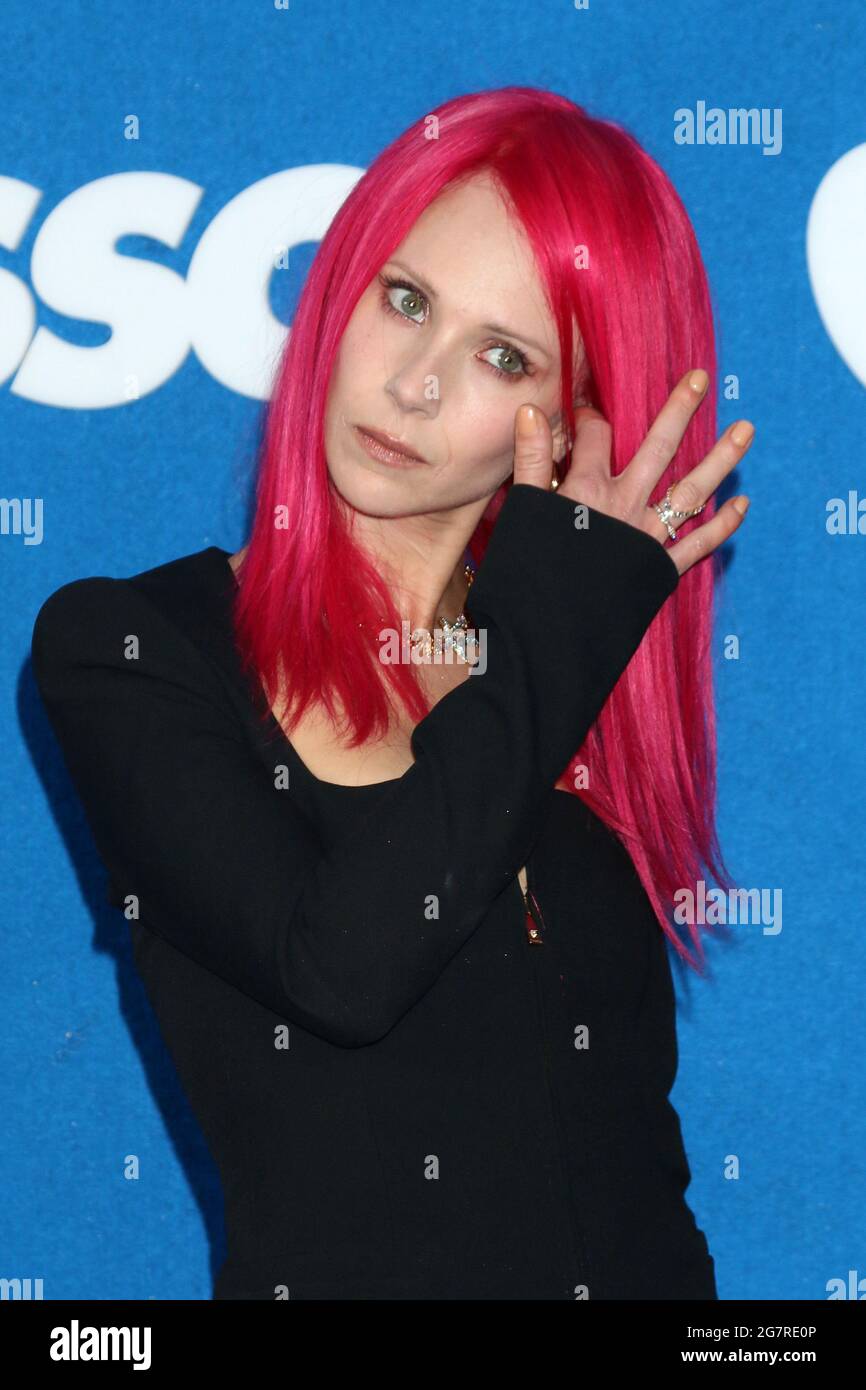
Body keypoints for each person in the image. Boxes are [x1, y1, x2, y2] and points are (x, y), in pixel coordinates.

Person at [31, 87, 752, 1300]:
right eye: (404, 299)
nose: (415, 383)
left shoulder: (568, 681)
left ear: (571, 421)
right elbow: (341, 968)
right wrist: (555, 629)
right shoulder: (130, 647)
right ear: (342, 291)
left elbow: (636, 1190)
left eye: (500, 354)